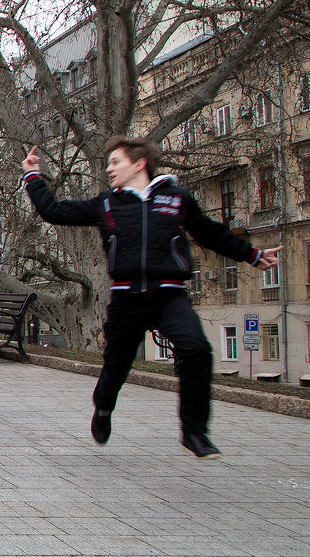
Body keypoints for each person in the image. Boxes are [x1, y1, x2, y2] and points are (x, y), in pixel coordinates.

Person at [22, 138, 281, 459]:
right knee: (116, 366)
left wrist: (252, 254)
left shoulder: (177, 199)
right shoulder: (106, 203)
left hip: (169, 294)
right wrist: (34, 176)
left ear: (139, 163)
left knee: (197, 349)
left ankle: (194, 432)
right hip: (126, 298)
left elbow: (211, 233)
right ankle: (103, 408)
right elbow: (54, 211)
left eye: (115, 161)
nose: (109, 168)